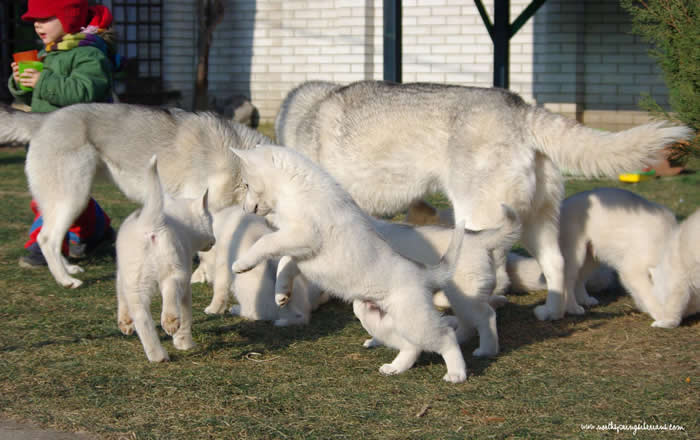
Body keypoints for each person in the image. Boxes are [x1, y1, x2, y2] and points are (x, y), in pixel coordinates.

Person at [8, 0, 121, 267]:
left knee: (53, 195)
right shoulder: (51, 52)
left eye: (46, 18)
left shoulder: (90, 54)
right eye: (34, 19)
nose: (37, 24)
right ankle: (96, 233)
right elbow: (40, 93)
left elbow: (84, 93)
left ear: (69, 18)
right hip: (49, 138)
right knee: (68, 192)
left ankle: (44, 245)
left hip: (78, 140)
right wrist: (21, 82)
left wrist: (43, 81)